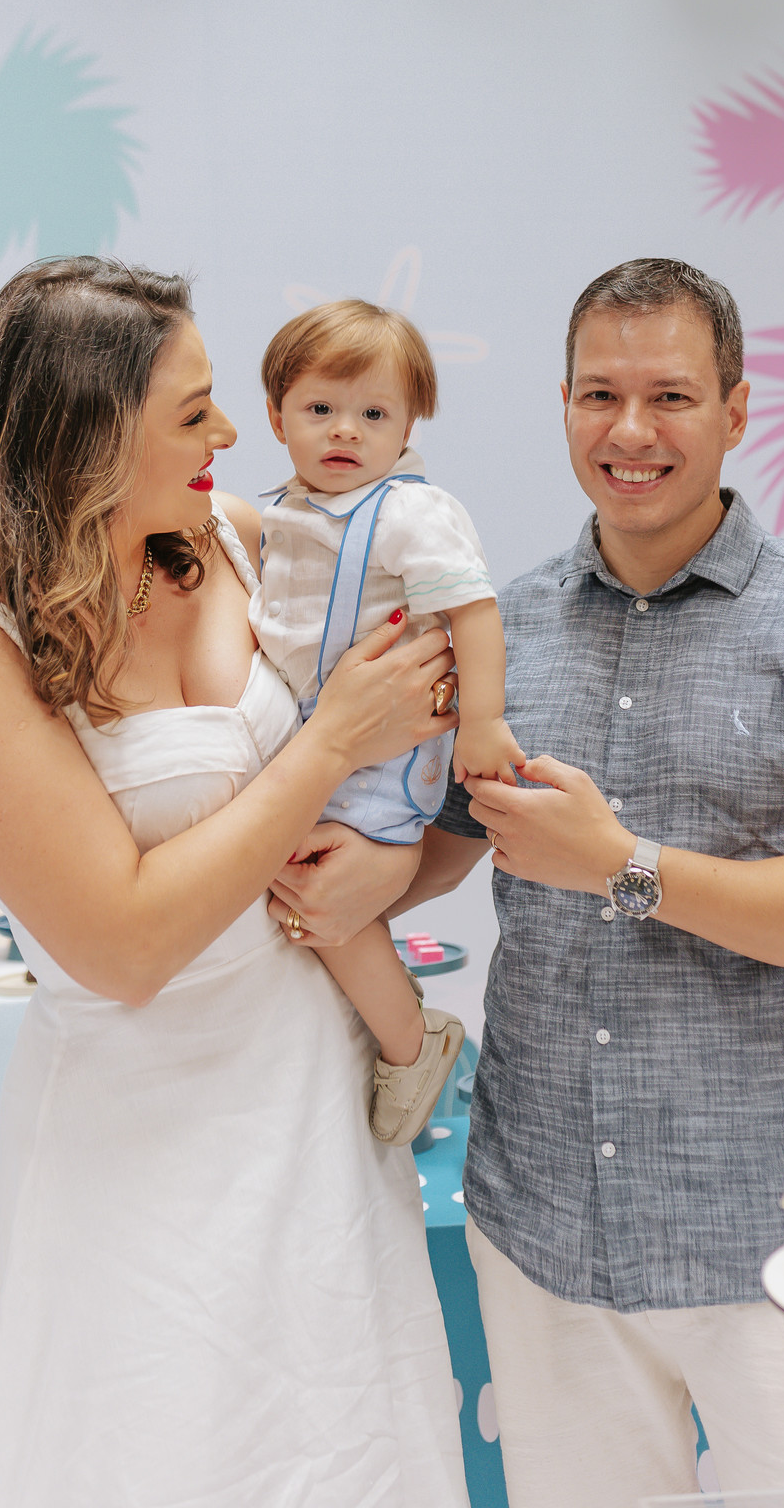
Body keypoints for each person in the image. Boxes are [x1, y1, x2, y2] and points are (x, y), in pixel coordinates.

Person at [271, 258, 784, 1507]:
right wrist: (344, 869)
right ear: (565, 404)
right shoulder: (498, 626)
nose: (630, 431)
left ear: (735, 410)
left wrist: (620, 866)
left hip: (783, 1235)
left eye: (671, 397)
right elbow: (452, 837)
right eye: (599, 395)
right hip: (544, 1223)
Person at [0, 256, 470, 1508]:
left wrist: (392, 862)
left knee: (355, 1455)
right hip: (142, 1162)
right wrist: (327, 745)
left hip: (316, 1119)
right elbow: (126, 946)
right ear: (91, 434)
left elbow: (406, 763)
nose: (231, 434)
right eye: (194, 411)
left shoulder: (243, 544)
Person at [252, 299, 523, 1144]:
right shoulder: (284, 513)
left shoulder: (410, 512)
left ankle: (412, 1043)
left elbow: (473, 612)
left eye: (374, 415)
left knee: (320, 898)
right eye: (320, 408)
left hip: (384, 756)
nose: (347, 430)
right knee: (297, 887)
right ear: (277, 418)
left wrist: (482, 722)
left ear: (408, 428)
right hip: (311, 740)